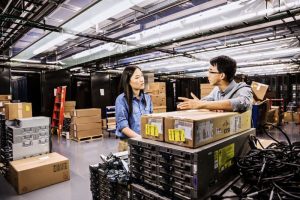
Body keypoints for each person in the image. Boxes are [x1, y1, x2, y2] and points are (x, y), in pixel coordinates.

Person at [177, 55, 253, 112]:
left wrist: (202, 105)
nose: (208, 75)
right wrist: (203, 104)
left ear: (222, 75)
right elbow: (207, 100)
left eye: (211, 72)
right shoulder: (217, 90)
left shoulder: (243, 88)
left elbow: (243, 103)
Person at [115, 66, 153, 145]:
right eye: (137, 77)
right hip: (127, 143)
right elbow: (122, 126)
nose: (142, 79)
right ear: (128, 81)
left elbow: (151, 119)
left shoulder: (147, 98)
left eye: (142, 76)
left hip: (145, 141)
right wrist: (140, 139)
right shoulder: (121, 99)